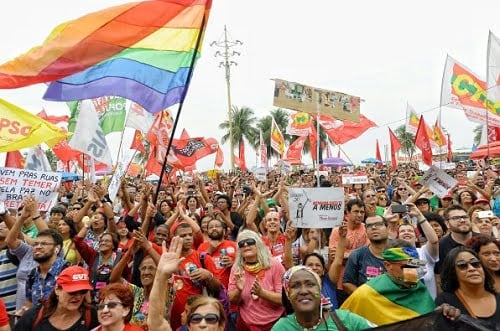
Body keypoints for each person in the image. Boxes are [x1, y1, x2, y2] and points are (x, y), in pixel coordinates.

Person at [341, 241, 460, 326]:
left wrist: (443, 313)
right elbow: (341, 323)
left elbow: (429, 324)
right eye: (407, 267)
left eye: (417, 266)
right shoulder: (366, 294)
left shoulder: (420, 289)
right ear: (388, 265)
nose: (413, 272)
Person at [147, 237, 227, 331]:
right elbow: (156, 323)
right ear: (188, 326)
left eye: (211, 319)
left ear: (221, 326)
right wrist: (161, 275)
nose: (203, 324)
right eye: (196, 319)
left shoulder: (202, 258)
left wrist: (209, 275)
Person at [272, 266, 374, 331]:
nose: (303, 291)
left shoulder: (346, 320)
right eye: (295, 286)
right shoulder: (281, 328)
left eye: (310, 284)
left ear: (320, 291)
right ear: (288, 294)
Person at [228, 229, 285, 331]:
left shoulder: (274, 265)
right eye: (241, 244)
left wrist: (261, 293)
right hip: (246, 324)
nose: (245, 245)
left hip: (275, 325)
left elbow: (283, 299)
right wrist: (239, 290)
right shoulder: (237, 268)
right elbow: (232, 300)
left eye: (250, 242)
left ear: (258, 244)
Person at [14, 266, 98, 331]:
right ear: (57, 290)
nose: (78, 297)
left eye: (83, 291)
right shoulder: (33, 316)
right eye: (72, 292)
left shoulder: (92, 316)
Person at [435, 246, 499, 330]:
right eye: (462, 265)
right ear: (453, 272)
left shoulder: (498, 297)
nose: (471, 268)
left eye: (475, 264)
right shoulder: (446, 302)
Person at [328, 199, 369, 304]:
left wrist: (344, 254)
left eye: (362, 212)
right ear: (348, 213)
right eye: (356, 212)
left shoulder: (367, 229)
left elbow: (366, 255)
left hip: (361, 282)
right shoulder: (338, 231)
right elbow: (334, 257)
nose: (360, 215)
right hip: (340, 283)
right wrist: (355, 254)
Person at [342, 215, 388, 294]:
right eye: (369, 226)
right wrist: (365, 297)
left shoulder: (399, 251)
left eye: (378, 224)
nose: (373, 227)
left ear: (387, 228)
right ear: (366, 231)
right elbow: (347, 283)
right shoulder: (357, 255)